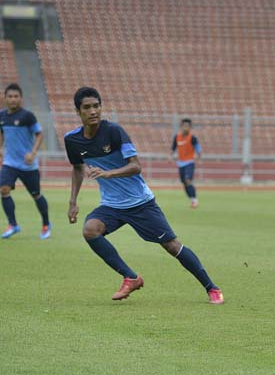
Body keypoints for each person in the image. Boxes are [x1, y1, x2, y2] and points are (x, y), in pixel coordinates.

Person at [65, 87, 224, 304]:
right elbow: (77, 168)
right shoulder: (72, 140)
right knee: (90, 230)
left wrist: (109, 173)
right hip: (111, 205)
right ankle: (130, 277)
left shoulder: (113, 131)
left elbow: (136, 167)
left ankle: (211, 287)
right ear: (78, 111)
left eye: (96, 106)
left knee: (172, 246)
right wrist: (73, 201)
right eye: (87, 107)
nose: (93, 111)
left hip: (140, 203)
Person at [0, 83, 50, 239]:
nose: (13, 99)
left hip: (28, 165)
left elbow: (39, 134)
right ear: (5, 98)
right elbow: (2, 134)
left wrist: (33, 153)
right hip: (10, 163)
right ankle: (13, 225)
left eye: (16, 96)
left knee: (36, 195)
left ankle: (46, 224)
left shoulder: (27, 116)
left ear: (20, 98)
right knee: (3, 189)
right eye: (10, 96)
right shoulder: (1, 116)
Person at [170, 118, 201, 208]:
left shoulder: (193, 138)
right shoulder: (177, 137)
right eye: (184, 126)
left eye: (187, 126)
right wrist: (171, 156)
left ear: (190, 128)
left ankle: (195, 200)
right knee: (184, 182)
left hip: (189, 162)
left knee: (188, 180)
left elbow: (198, 148)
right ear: (181, 127)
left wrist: (199, 156)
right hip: (180, 163)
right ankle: (192, 200)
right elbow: (173, 148)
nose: (185, 128)